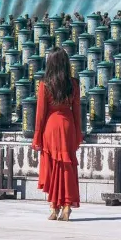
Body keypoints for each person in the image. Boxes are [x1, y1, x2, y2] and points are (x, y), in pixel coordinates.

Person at [32, 48, 83, 221]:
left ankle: (54, 208)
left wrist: (37, 135)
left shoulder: (45, 84)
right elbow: (77, 111)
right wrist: (78, 133)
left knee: (52, 167)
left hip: (51, 127)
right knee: (67, 167)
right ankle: (67, 206)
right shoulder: (74, 84)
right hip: (68, 126)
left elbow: (40, 114)